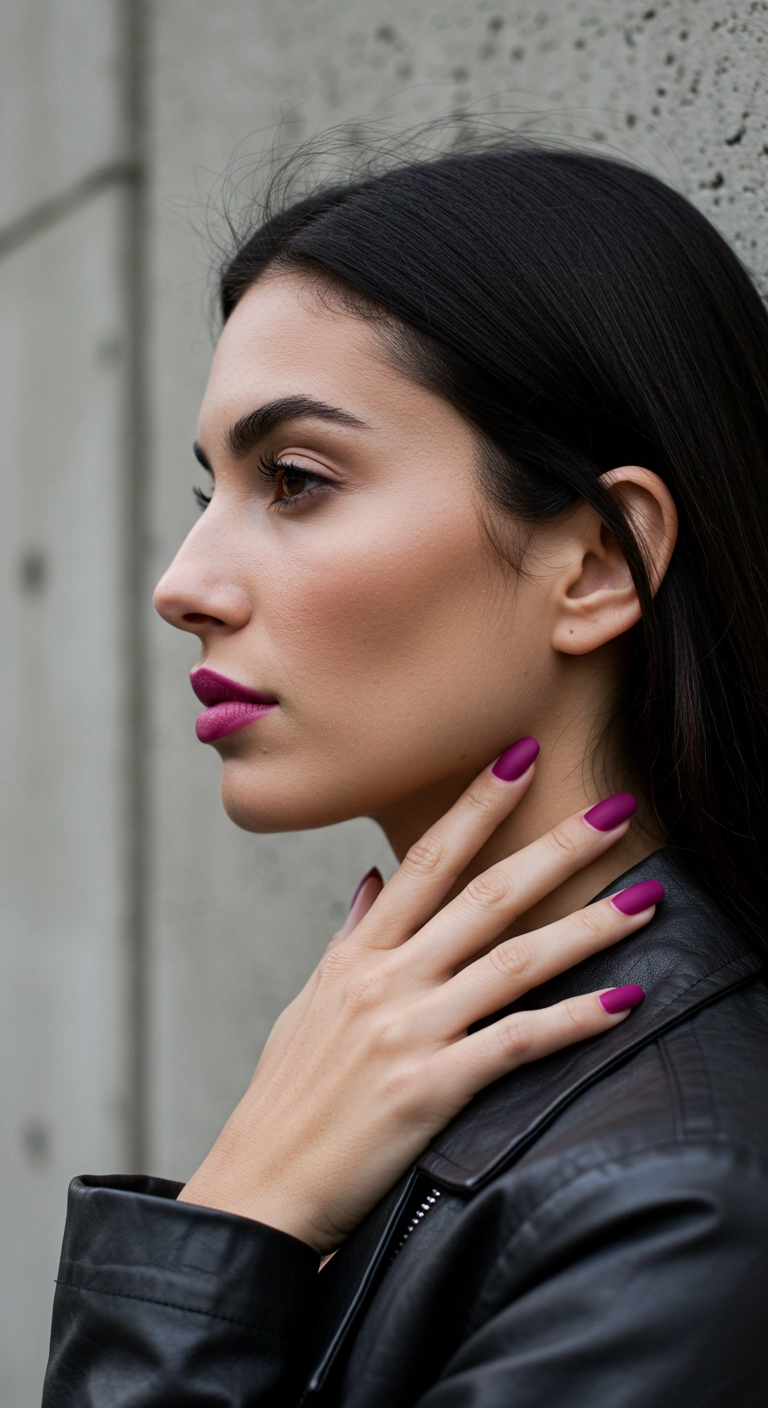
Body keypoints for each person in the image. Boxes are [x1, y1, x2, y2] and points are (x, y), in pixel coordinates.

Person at [43, 145, 768, 1405]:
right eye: (213, 491)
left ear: (596, 564)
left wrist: (234, 1219)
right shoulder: (424, 1076)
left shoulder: (671, 1211)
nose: (183, 584)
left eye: (296, 481)